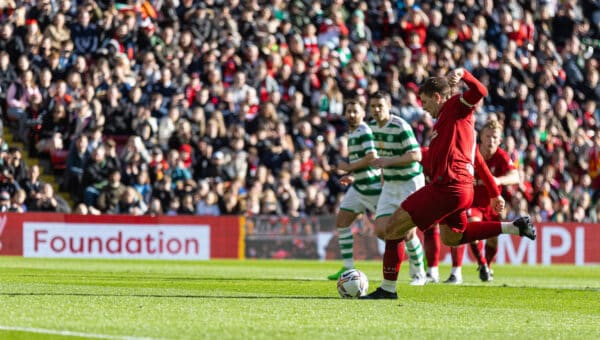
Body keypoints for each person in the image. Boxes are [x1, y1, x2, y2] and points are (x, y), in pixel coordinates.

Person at [361, 68, 536, 299]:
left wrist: (463, 74)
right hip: (461, 190)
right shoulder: (448, 126)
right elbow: (476, 160)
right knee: (452, 237)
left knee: (392, 228)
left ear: (437, 97)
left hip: (448, 187)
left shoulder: (456, 107)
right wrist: (494, 192)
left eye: (424, 101)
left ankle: (387, 289)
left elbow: (480, 90)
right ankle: (512, 227)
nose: (423, 107)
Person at [363, 91, 428, 296]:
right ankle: (402, 272)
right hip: (391, 184)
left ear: (389, 106)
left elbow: (416, 155)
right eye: (373, 106)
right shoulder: (370, 128)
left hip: (410, 182)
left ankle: (419, 273)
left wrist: (387, 162)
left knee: (407, 231)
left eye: (380, 106)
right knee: (381, 229)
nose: (376, 110)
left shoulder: (400, 126)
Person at [445, 119, 520, 284]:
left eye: (495, 137)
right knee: (471, 227)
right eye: (488, 136)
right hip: (473, 203)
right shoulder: (472, 154)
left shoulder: (501, 156)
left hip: (492, 204)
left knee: (493, 239)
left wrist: (497, 181)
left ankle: (488, 266)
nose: (491, 140)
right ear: (481, 138)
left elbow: (516, 176)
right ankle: (482, 264)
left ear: (500, 140)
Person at [327, 99, 382, 280]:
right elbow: (364, 164)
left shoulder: (364, 131)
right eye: (348, 111)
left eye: (355, 111)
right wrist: (352, 175)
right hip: (359, 187)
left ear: (362, 113)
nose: (351, 114)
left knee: (393, 230)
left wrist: (348, 167)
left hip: (373, 188)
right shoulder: (352, 133)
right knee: (342, 222)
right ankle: (347, 267)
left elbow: (372, 157)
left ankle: (419, 263)